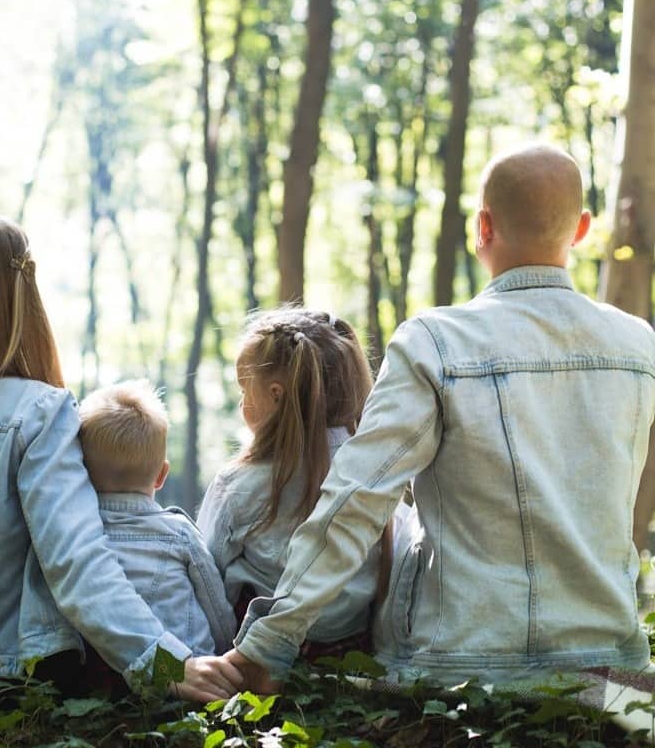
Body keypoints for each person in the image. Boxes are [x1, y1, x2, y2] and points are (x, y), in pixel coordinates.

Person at [224, 144, 655, 690]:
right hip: (611, 668)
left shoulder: (436, 343)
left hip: (460, 667)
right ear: (582, 230)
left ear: (482, 227)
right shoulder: (639, 346)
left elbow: (357, 499)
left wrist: (270, 643)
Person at [0, 215, 241, 701]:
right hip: (14, 686)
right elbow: (77, 562)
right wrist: (165, 664)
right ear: (20, 300)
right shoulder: (38, 411)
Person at [197, 307, 388, 658]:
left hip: (259, 655)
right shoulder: (375, 473)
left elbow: (207, 574)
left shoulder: (240, 484)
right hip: (351, 650)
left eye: (244, 389)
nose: (242, 402)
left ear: (275, 394)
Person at [77, 379, 235, 663]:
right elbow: (216, 608)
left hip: (108, 679)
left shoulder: (75, 536)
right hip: (189, 670)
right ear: (162, 475)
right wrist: (225, 651)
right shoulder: (179, 533)